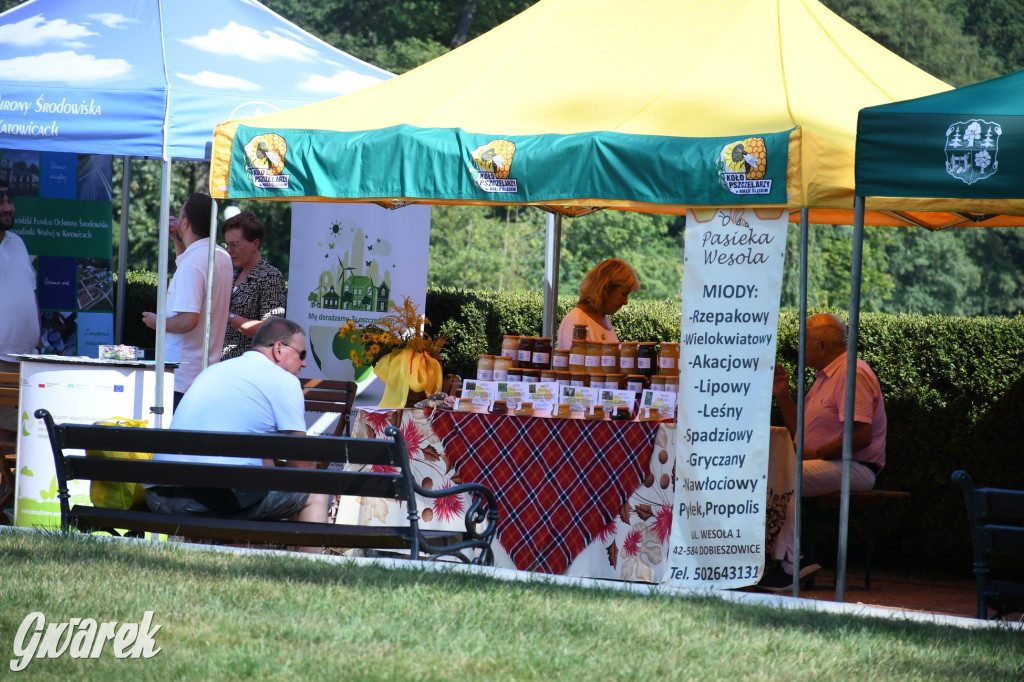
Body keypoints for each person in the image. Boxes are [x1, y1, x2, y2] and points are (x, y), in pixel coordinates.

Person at [145, 317, 328, 548]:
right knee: (315, 493)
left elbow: (264, 462)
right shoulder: (284, 381)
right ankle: (312, 574)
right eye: (301, 355)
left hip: (159, 495)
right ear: (279, 349)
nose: (303, 364)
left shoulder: (215, 371)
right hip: (210, 501)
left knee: (244, 500)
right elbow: (303, 468)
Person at [759, 313, 888, 592]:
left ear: (821, 347)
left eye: (802, 343)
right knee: (771, 474)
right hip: (829, 464)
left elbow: (860, 437)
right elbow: (801, 436)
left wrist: (816, 453)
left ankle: (792, 563)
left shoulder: (852, 373)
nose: (797, 349)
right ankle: (778, 560)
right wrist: (782, 395)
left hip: (856, 467)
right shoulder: (826, 377)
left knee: (788, 475)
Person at [142, 193, 232, 407]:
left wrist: (158, 322)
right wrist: (177, 240)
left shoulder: (194, 262)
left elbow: (188, 320)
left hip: (181, 376)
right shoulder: (221, 255)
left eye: (180, 216)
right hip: (202, 373)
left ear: (185, 223)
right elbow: (191, 265)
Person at [0, 181, 41, 440]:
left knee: (15, 430)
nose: (8, 208)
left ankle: (8, 481)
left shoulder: (18, 243)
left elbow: (30, 292)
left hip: (24, 358)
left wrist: (36, 338)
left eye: (9, 202)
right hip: (1, 357)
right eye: (1, 202)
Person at [220, 211, 287, 360]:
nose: (229, 250)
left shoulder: (270, 276)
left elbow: (271, 330)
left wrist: (227, 316)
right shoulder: (232, 274)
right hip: (224, 366)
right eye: (227, 244)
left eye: (235, 244)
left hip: (249, 368)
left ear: (255, 244)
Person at [556, 258, 639, 349]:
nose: (625, 302)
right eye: (624, 294)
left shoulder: (603, 320)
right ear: (606, 289)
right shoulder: (577, 321)